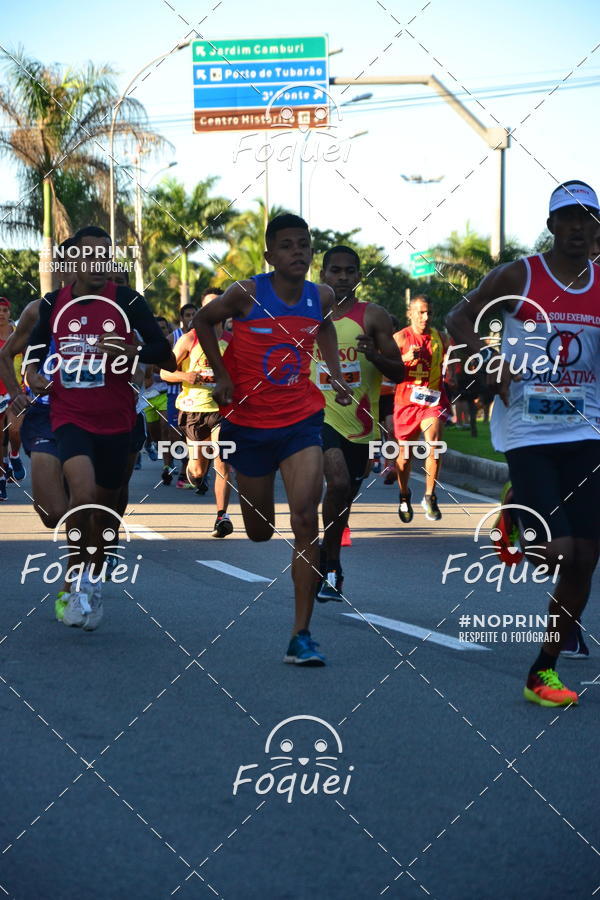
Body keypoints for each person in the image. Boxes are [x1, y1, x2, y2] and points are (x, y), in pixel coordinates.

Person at [446, 179, 600, 707]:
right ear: (552, 224)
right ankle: (513, 512)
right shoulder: (521, 275)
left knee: (585, 557)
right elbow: (458, 317)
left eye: (588, 218)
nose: (579, 227)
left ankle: (543, 672)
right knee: (556, 551)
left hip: (587, 429)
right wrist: (486, 359)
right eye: (569, 217)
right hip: (528, 427)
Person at [193, 213, 351, 665]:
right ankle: (250, 501)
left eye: (304, 244)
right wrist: (221, 374)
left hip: (301, 420)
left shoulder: (318, 295)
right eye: (287, 245)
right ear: (269, 255)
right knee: (261, 532)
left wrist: (334, 374)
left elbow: (322, 326)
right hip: (249, 424)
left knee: (305, 520)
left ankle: (301, 635)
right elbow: (205, 322)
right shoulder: (247, 293)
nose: (298, 252)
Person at [24, 225, 174, 631]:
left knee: (103, 510)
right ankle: (77, 588)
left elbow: (167, 355)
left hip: (116, 419)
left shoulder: (127, 301)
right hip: (69, 414)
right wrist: (33, 374)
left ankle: (89, 575)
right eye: (87, 255)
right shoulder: (54, 303)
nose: (96, 262)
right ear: (73, 261)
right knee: (84, 496)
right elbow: (35, 350)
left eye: (103, 255)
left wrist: (132, 350)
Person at [314, 246, 404, 601]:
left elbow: (399, 372)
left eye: (350, 272)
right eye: (335, 271)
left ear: (358, 275)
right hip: (316, 415)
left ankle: (329, 559)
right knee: (335, 481)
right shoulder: (306, 315)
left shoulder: (374, 317)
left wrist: (374, 355)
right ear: (323, 274)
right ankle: (331, 564)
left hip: (360, 423)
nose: (342, 278)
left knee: (344, 494)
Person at [160, 292, 233, 536]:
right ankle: (196, 476)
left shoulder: (233, 340)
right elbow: (164, 372)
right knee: (199, 469)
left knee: (222, 459)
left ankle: (222, 516)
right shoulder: (190, 339)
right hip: (193, 409)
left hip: (222, 410)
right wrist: (185, 376)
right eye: (208, 306)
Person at [393, 295, 451, 523]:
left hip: (432, 402)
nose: (425, 317)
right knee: (404, 457)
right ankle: (404, 494)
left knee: (434, 445)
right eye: (420, 312)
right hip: (406, 403)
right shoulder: (399, 339)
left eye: (428, 313)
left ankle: (430, 495)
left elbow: (453, 363)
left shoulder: (442, 338)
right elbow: (386, 370)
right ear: (410, 313)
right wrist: (404, 358)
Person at [168, 301, 199, 489]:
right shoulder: (176, 337)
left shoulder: (210, 336)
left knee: (202, 439)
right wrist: (183, 375)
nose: (191, 318)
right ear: (182, 319)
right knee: (177, 435)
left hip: (203, 399)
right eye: (187, 315)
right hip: (176, 393)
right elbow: (162, 367)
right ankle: (179, 467)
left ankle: (191, 472)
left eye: (194, 314)